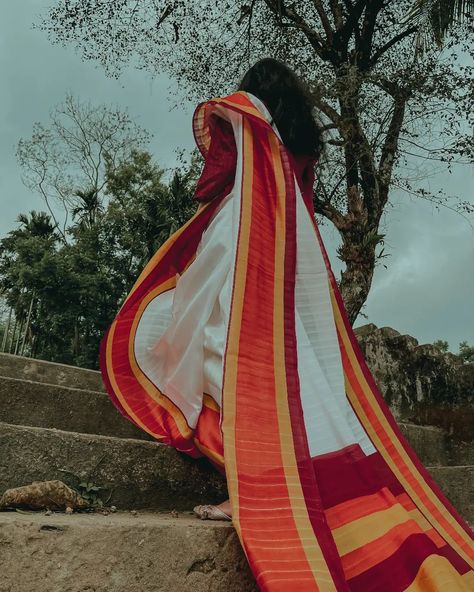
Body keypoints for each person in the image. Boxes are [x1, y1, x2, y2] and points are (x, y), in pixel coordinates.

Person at [100, 58, 473, 591]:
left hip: (249, 239)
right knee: (283, 368)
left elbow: (212, 178)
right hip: (291, 251)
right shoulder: (300, 140)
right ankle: (263, 481)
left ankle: (250, 490)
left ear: (253, 94)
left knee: (229, 357)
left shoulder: (249, 119)